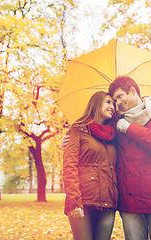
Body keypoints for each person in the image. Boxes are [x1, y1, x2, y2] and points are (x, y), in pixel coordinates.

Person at [109, 75, 151, 240]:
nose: (117, 103)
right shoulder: (116, 121)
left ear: (132, 91)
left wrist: (129, 128)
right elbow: (98, 135)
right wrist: (74, 139)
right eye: (114, 100)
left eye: (120, 96)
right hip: (129, 199)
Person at [63, 91, 118, 240]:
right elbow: (69, 166)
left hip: (108, 203)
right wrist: (74, 202)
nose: (112, 106)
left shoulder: (114, 136)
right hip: (83, 202)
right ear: (96, 103)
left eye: (113, 104)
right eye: (108, 102)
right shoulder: (78, 129)